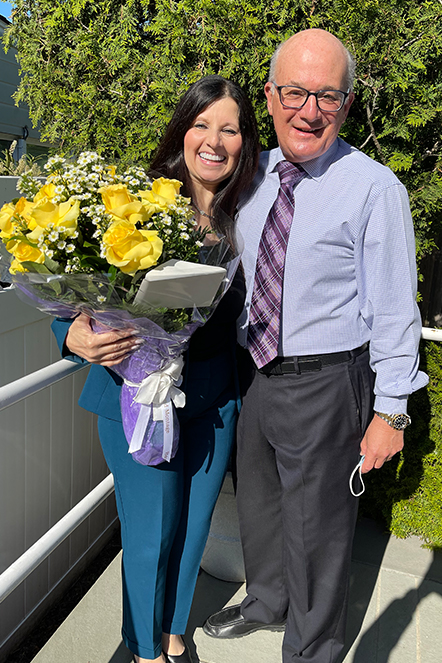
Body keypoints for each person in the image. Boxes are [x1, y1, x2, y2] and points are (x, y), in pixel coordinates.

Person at [202, 30, 428, 662]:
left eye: (327, 96)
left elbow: (393, 312)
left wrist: (391, 414)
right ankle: (265, 603)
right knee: (264, 507)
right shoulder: (253, 175)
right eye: (295, 92)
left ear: (346, 106)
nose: (309, 110)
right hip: (257, 374)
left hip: (329, 384)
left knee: (321, 531)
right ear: (270, 98)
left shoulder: (374, 189)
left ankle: (313, 649)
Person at [52, 75, 260, 663]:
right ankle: (143, 649)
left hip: (214, 400)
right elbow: (72, 289)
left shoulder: (249, 215)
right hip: (135, 399)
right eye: (202, 124)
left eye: (230, 128)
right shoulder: (138, 205)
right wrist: (68, 334)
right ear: (182, 132)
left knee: (192, 533)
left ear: (245, 142)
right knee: (149, 536)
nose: (214, 140)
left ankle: (172, 634)